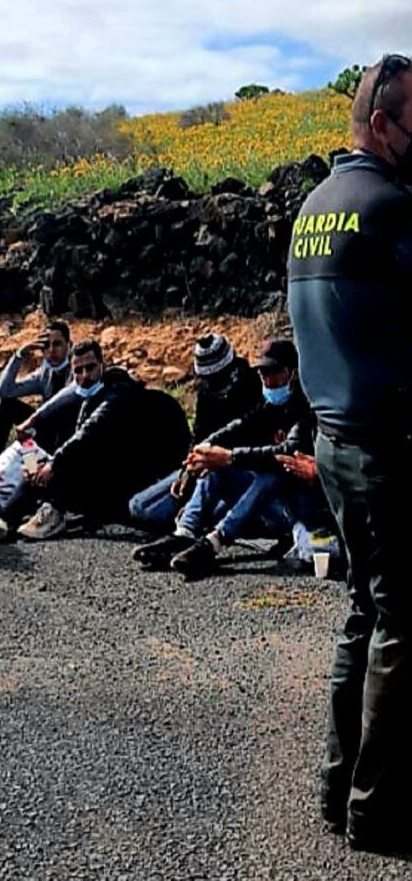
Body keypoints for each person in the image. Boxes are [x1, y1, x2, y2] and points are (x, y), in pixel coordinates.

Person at [287, 54, 412, 852]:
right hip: (389, 448)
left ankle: (338, 792)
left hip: (335, 442)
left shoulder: (316, 205)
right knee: (402, 625)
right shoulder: (395, 207)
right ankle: (381, 806)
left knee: (365, 610)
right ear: (381, 125)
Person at [131, 339, 313, 577]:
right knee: (213, 469)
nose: (268, 382)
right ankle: (185, 533)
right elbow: (236, 427)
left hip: (297, 509)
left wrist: (229, 457)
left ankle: (215, 541)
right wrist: (201, 454)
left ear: (294, 374)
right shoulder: (270, 406)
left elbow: (287, 451)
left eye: (275, 374)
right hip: (260, 499)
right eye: (264, 374)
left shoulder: (308, 407)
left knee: (274, 471)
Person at [0, 340, 189, 541]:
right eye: (78, 370)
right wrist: (37, 463)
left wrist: (53, 465)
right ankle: (2, 518)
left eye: (90, 368)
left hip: (142, 479)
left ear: (102, 366)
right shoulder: (87, 394)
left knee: (67, 467)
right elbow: (58, 421)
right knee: (36, 456)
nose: (85, 375)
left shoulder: (117, 394)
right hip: (114, 470)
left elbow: (89, 434)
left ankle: (25, 515)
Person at [128, 333, 261, 530]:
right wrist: (186, 473)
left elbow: (250, 439)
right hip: (204, 466)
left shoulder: (253, 386)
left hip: (239, 469)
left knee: (210, 518)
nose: (212, 383)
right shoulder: (208, 391)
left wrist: (214, 460)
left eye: (216, 378)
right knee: (141, 508)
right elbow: (199, 435)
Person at [0, 321, 73, 472]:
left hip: (70, 438)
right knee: (7, 407)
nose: (51, 351)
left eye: (57, 344)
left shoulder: (78, 371)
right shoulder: (44, 374)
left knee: (33, 431)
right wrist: (19, 355)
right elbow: (4, 391)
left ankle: (39, 476)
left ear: (69, 345)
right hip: (46, 436)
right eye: (46, 346)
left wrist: (33, 420)